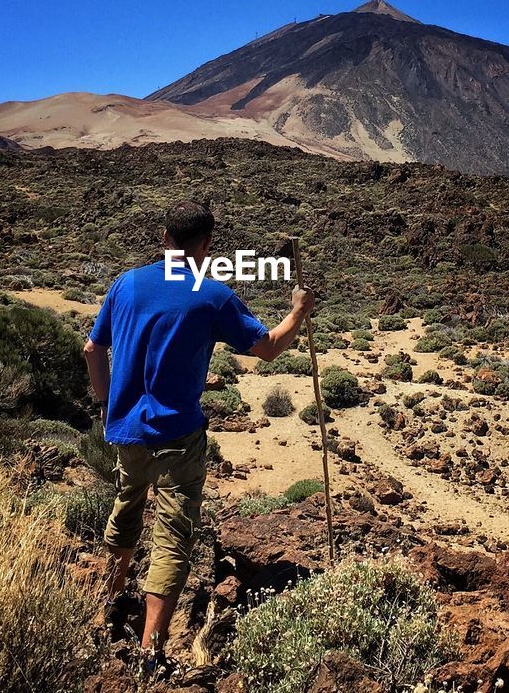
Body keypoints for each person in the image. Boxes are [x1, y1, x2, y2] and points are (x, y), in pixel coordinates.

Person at [82, 200, 314, 669]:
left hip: (126, 434)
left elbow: (92, 349)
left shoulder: (125, 283)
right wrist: (299, 311)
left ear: (164, 237)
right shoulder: (212, 296)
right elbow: (268, 349)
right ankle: (151, 649)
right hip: (178, 438)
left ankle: (110, 598)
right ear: (206, 246)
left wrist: (108, 406)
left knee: (126, 507)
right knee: (172, 536)